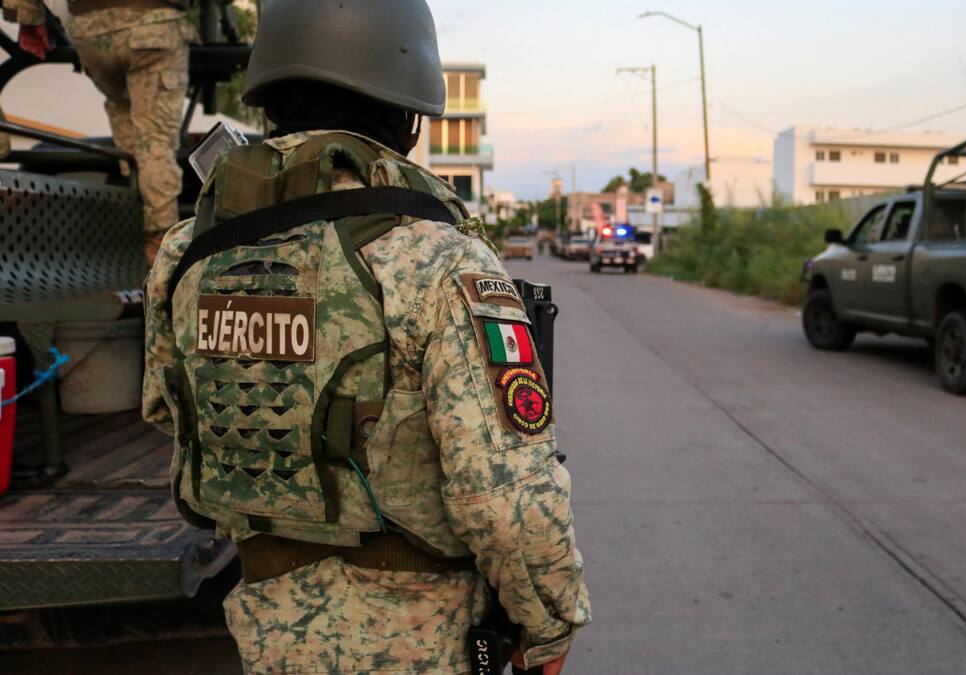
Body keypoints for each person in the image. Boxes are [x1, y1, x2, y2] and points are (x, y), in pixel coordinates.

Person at [141, 1, 590, 673]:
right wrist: (549, 626)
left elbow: (169, 413)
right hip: (421, 642)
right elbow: (507, 495)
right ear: (408, 109)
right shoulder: (438, 257)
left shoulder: (187, 251)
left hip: (265, 631)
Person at [4, 0, 192, 264]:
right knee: (154, 141)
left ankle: (135, 209)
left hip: (91, 32)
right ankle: (160, 244)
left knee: (129, 127)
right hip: (154, 25)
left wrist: (28, 17)